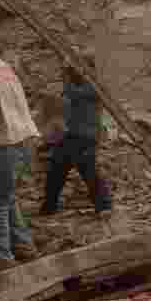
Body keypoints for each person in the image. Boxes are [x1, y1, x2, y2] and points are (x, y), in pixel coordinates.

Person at [40, 51, 112, 217]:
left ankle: (104, 206)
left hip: (86, 137)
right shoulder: (78, 84)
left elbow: (72, 93)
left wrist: (66, 74)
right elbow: (68, 97)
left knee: (89, 172)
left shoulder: (94, 85)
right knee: (56, 171)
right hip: (71, 135)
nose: (73, 70)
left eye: (75, 67)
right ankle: (49, 207)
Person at [0, 56, 40, 269]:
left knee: (0, 201)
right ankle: (24, 246)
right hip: (23, 138)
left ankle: (3, 256)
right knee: (7, 196)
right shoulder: (4, 67)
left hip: (4, 142)